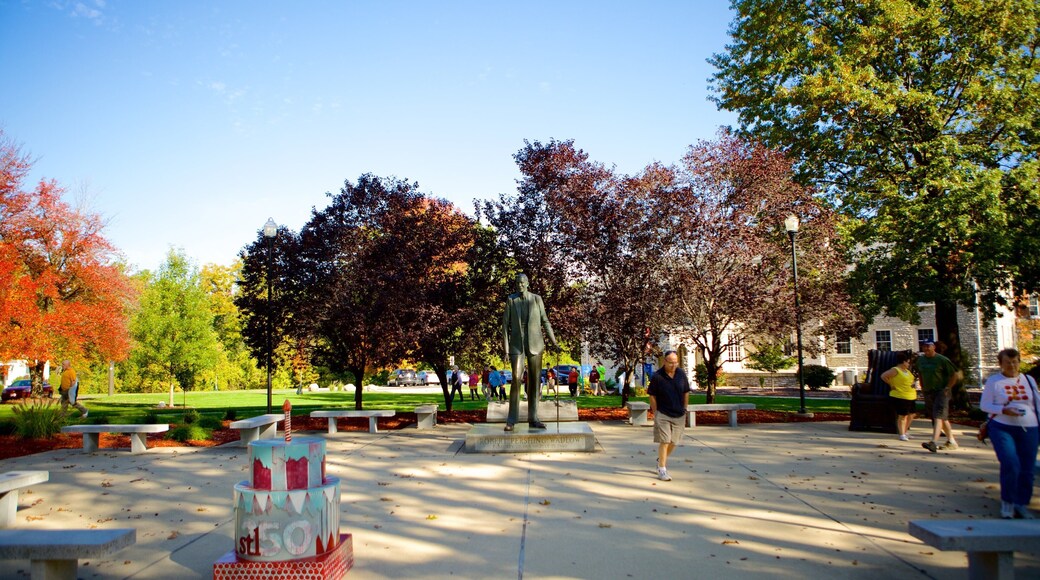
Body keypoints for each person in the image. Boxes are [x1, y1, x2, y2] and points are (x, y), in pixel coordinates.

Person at [980, 349, 1039, 519]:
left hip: (1030, 427)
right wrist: (1003, 409)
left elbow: (1037, 403)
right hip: (1003, 426)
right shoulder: (994, 381)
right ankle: (1008, 502)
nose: (1012, 366)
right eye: (1008, 362)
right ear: (1001, 364)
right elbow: (985, 405)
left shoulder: (1029, 380)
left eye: (1015, 362)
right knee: (1010, 463)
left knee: (1027, 468)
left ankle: (1021, 503)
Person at [502, 273, 558, 431]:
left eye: (522, 282)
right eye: (517, 283)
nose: (520, 285)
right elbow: (505, 326)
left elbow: (545, 321)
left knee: (534, 380)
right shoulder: (511, 300)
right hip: (516, 345)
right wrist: (506, 349)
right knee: (515, 378)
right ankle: (512, 419)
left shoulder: (536, 299)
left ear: (527, 283)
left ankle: (533, 418)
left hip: (535, 344)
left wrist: (554, 342)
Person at [647, 350, 691, 482]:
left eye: (676, 362)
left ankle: (661, 458)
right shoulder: (657, 376)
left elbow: (686, 392)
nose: (673, 365)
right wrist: (656, 412)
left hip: (679, 413)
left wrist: (684, 408)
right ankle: (662, 469)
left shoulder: (681, 374)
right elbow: (652, 395)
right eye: (671, 362)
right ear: (665, 361)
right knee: (665, 440)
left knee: (674, 442)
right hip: (663, 413)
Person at [916, 341, 960, 452]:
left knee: (938, 416)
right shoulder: (921, 360)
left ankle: (933, 443)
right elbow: (920, 373)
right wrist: (922, 385)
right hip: (928, 391)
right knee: (942, 418)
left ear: (933, 347)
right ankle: (952, 441)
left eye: (928, 346)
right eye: (924, 346)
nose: (926, 348)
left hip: (941, 391)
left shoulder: (942, 360)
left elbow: (954, 374)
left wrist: (948, 388)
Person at [881, 351, 916, 441]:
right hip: (900, 396)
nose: (909, 364)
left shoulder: (907, 371)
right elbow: (884, 376)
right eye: (908, 362)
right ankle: (901, 434)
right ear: (904, 362)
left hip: (910, 395)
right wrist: (891, 385)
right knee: (902, 415)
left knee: (911, 414)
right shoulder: (895, 370)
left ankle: (905, 431)